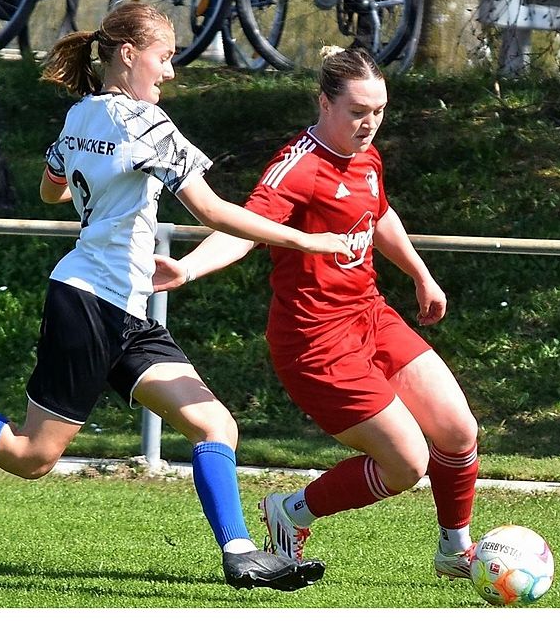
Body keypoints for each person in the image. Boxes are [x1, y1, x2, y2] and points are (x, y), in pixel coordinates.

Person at [0, 2, 354, 592]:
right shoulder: (147, 125)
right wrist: (307, 238)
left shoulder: (79, 117)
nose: (170, 72)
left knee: (215, 424)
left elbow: (51, 190)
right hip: (88, 304)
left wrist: (101, 187)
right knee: (31, 456)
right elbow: (212, 210)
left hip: (127, 309)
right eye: (165, 57)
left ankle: (242, 553)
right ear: (129, 54)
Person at [153, 46, 480, 580]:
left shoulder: (366, 153)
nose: (369, 123)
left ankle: (454, 552)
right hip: (315, 341)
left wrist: (420, 274)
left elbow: (379, 213)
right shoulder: (297, 168)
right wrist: (188, 269)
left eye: (378, 110)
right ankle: (290, 511)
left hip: (370, 315)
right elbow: (242, 227)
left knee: (459, 431)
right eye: (357, 111)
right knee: (407, 464)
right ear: (324, 103)